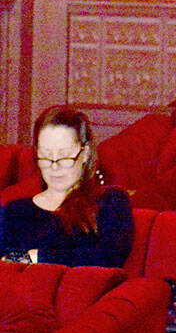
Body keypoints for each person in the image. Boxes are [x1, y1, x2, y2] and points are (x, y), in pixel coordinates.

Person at [1, 105, 133, 267]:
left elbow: (109, 256)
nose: (54, 166)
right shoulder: (15, 211)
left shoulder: (110, 201)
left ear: (85, 154)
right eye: (46, 156)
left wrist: (37, 257)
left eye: (64, 156)